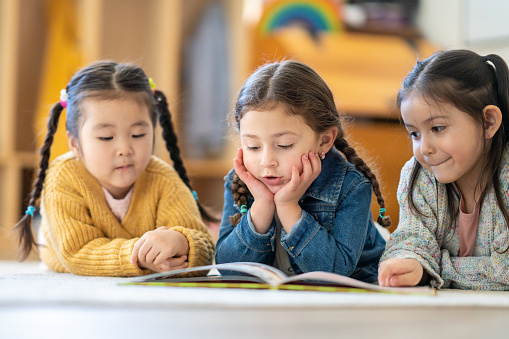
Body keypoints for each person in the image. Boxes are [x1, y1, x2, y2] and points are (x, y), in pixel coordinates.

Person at [14, 61, 215, 276]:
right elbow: (77, 253)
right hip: (67, 271)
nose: (124, 149)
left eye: (138, 134)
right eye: (106, 137)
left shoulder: (163, 179)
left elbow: (203, 246)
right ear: (74, 144)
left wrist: (181, 242)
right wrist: (138, 257)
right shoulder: (63, 177)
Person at [215, 60, 391, 283]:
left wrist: (288, 207)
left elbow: (334, 273)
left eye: (285, 145)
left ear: (324, 140)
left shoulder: (352, 187)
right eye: (253, 147)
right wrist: (262, 205)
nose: (266, 161)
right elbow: (227, 270)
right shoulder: (240, 181)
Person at [378, 49, 509, 290]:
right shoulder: (419, 175)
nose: (424, 148)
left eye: (437, 128)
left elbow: (505, 270)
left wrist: (434, 268)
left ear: (488, 122)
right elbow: (411, 238)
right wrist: (411, 264)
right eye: (414, 133)